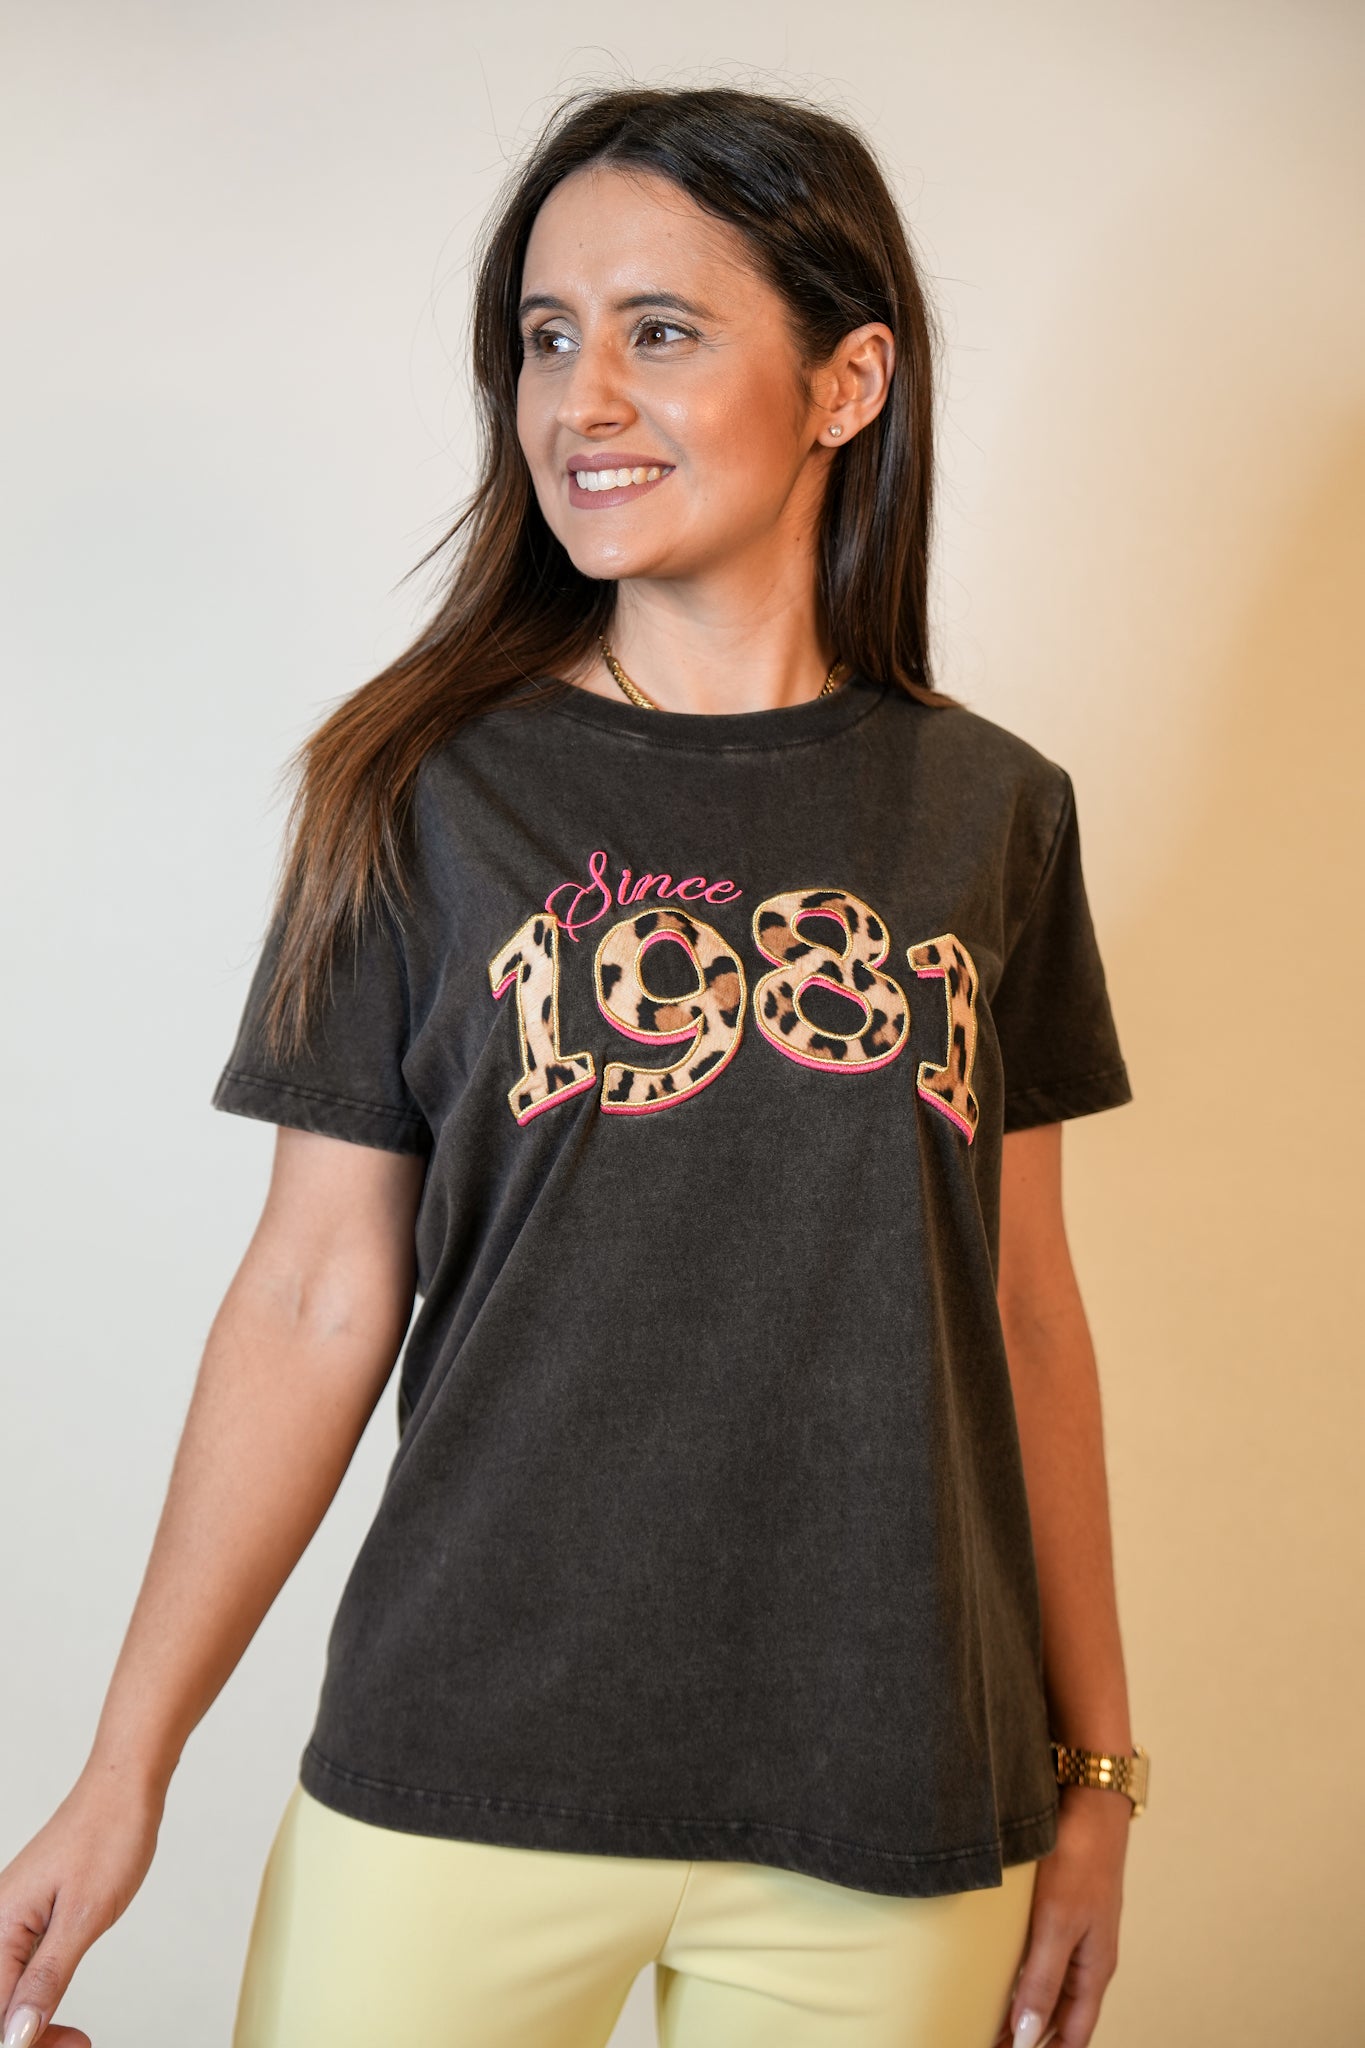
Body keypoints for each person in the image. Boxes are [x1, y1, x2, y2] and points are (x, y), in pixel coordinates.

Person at [0, 84, 1148, 2048]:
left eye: (658, 330)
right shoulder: (418, 789)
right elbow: (312, 1289)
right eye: (544, 336)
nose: (578, 398)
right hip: (463, 1762)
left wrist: (1097, 1772)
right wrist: (128, 1765)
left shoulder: (992, 815)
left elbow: (1023, 1310)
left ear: (847, 381)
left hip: (888, 1797)